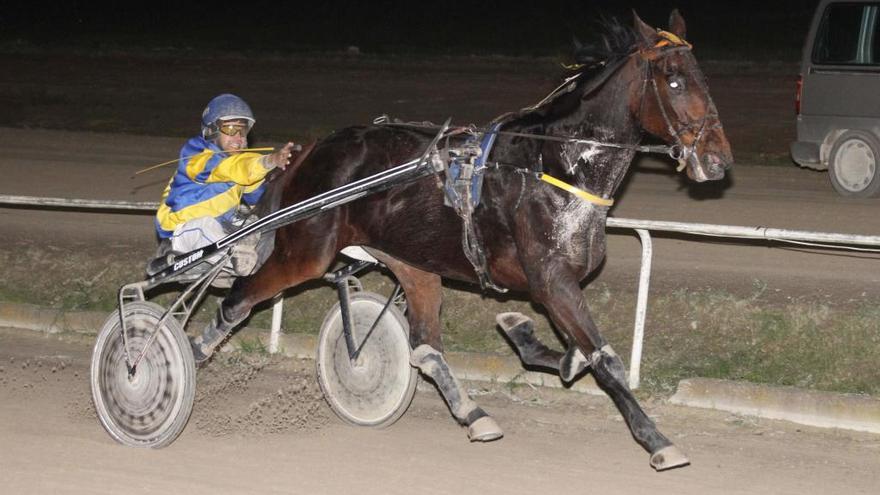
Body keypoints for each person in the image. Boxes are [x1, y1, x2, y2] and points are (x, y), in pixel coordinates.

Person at [153, 93, 296, 282]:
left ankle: (248, 256)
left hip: (220, 232)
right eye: (230, 129)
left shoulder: (239, 166)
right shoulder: (196, 153)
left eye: (242, 131)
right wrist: (268, 161)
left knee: (256, 222)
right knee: (206, 225)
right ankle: (238, 258)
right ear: (211, 130)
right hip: (181, 233)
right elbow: (232, 168)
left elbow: (261, 198)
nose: (238, 138)